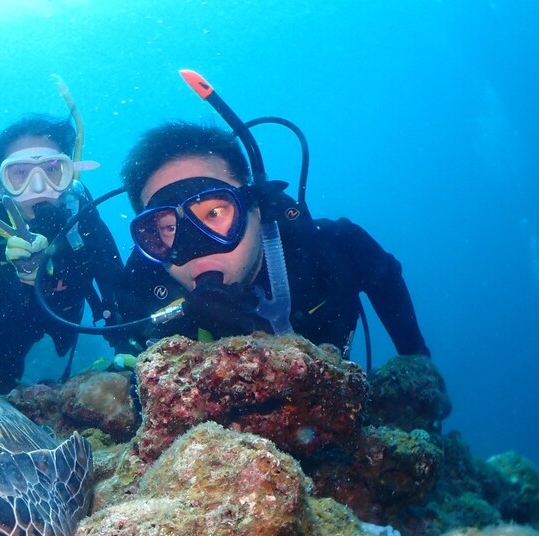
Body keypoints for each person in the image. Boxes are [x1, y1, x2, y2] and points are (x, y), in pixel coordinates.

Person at [116, 121, 430, 360]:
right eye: (169, 228)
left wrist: (415, 362)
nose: (195, 248)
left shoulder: (333, 249)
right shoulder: (144, 303)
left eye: (214, 213)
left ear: (256, 206)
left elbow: (386, 279)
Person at [0, 115, 125, 392]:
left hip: (59, 343)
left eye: (52, 169)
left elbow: (123, 299)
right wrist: (25, 281)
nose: (39, 188)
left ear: (69, 175)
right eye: (21, 174)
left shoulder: (84, 224)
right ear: (0, 183)